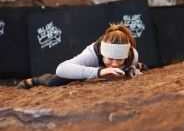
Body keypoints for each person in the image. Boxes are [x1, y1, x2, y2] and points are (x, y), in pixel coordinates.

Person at [16, 23, 147, 89]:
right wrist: (100, 72)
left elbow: (131, 64)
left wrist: (131, 69)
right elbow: (61, 68)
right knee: (53, 82)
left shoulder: (133, 55)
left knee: (135, 66)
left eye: (119, 60)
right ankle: (36, 80)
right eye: (110, 59)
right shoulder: (92, 54)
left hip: (102, 69)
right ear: (102, 53)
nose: (114, 64)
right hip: (92, 68)